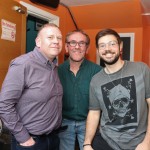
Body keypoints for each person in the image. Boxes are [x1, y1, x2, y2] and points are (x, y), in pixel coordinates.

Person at [83, 28, 150, 150]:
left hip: (139, 143)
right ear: (98, 51)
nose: (107, 49)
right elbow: (94, 113)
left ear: (120, 46)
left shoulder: (141, 69)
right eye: (102, 45)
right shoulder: (96, 80)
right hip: (106, 141)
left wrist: (147, 142)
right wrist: (87, 143)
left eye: (112, 44)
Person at [0, 23, 63, 150]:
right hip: (31, 141)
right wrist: (23, 137)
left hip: (52, 138)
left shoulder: (53, 66)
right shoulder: (23, 64)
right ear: (38, 42)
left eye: (59, 38)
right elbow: (4, 104)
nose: (56, 41)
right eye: (50, 37)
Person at [58, 29, 102, 150]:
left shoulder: (98, 71)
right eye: (73, 42)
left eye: (82, 43)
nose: (77, 47)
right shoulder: (56, 71)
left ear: (87, 49)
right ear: (66, 47)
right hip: (63, 124)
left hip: (89, 123)